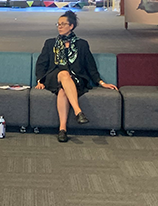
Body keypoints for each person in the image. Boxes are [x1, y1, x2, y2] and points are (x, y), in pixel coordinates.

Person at [35, 11, 118, 142]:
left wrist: (102, 83)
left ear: (71, 26)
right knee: (63, 73)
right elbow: (41, 64)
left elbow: (91, 66)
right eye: (58, 24)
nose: (59, 26)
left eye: (63, 24)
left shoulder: (82, 44)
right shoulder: (50, 43)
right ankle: (78, 111)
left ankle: (62, 129)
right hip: (54, 77)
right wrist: (40, 80)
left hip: (76, 79)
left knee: (63, 91)